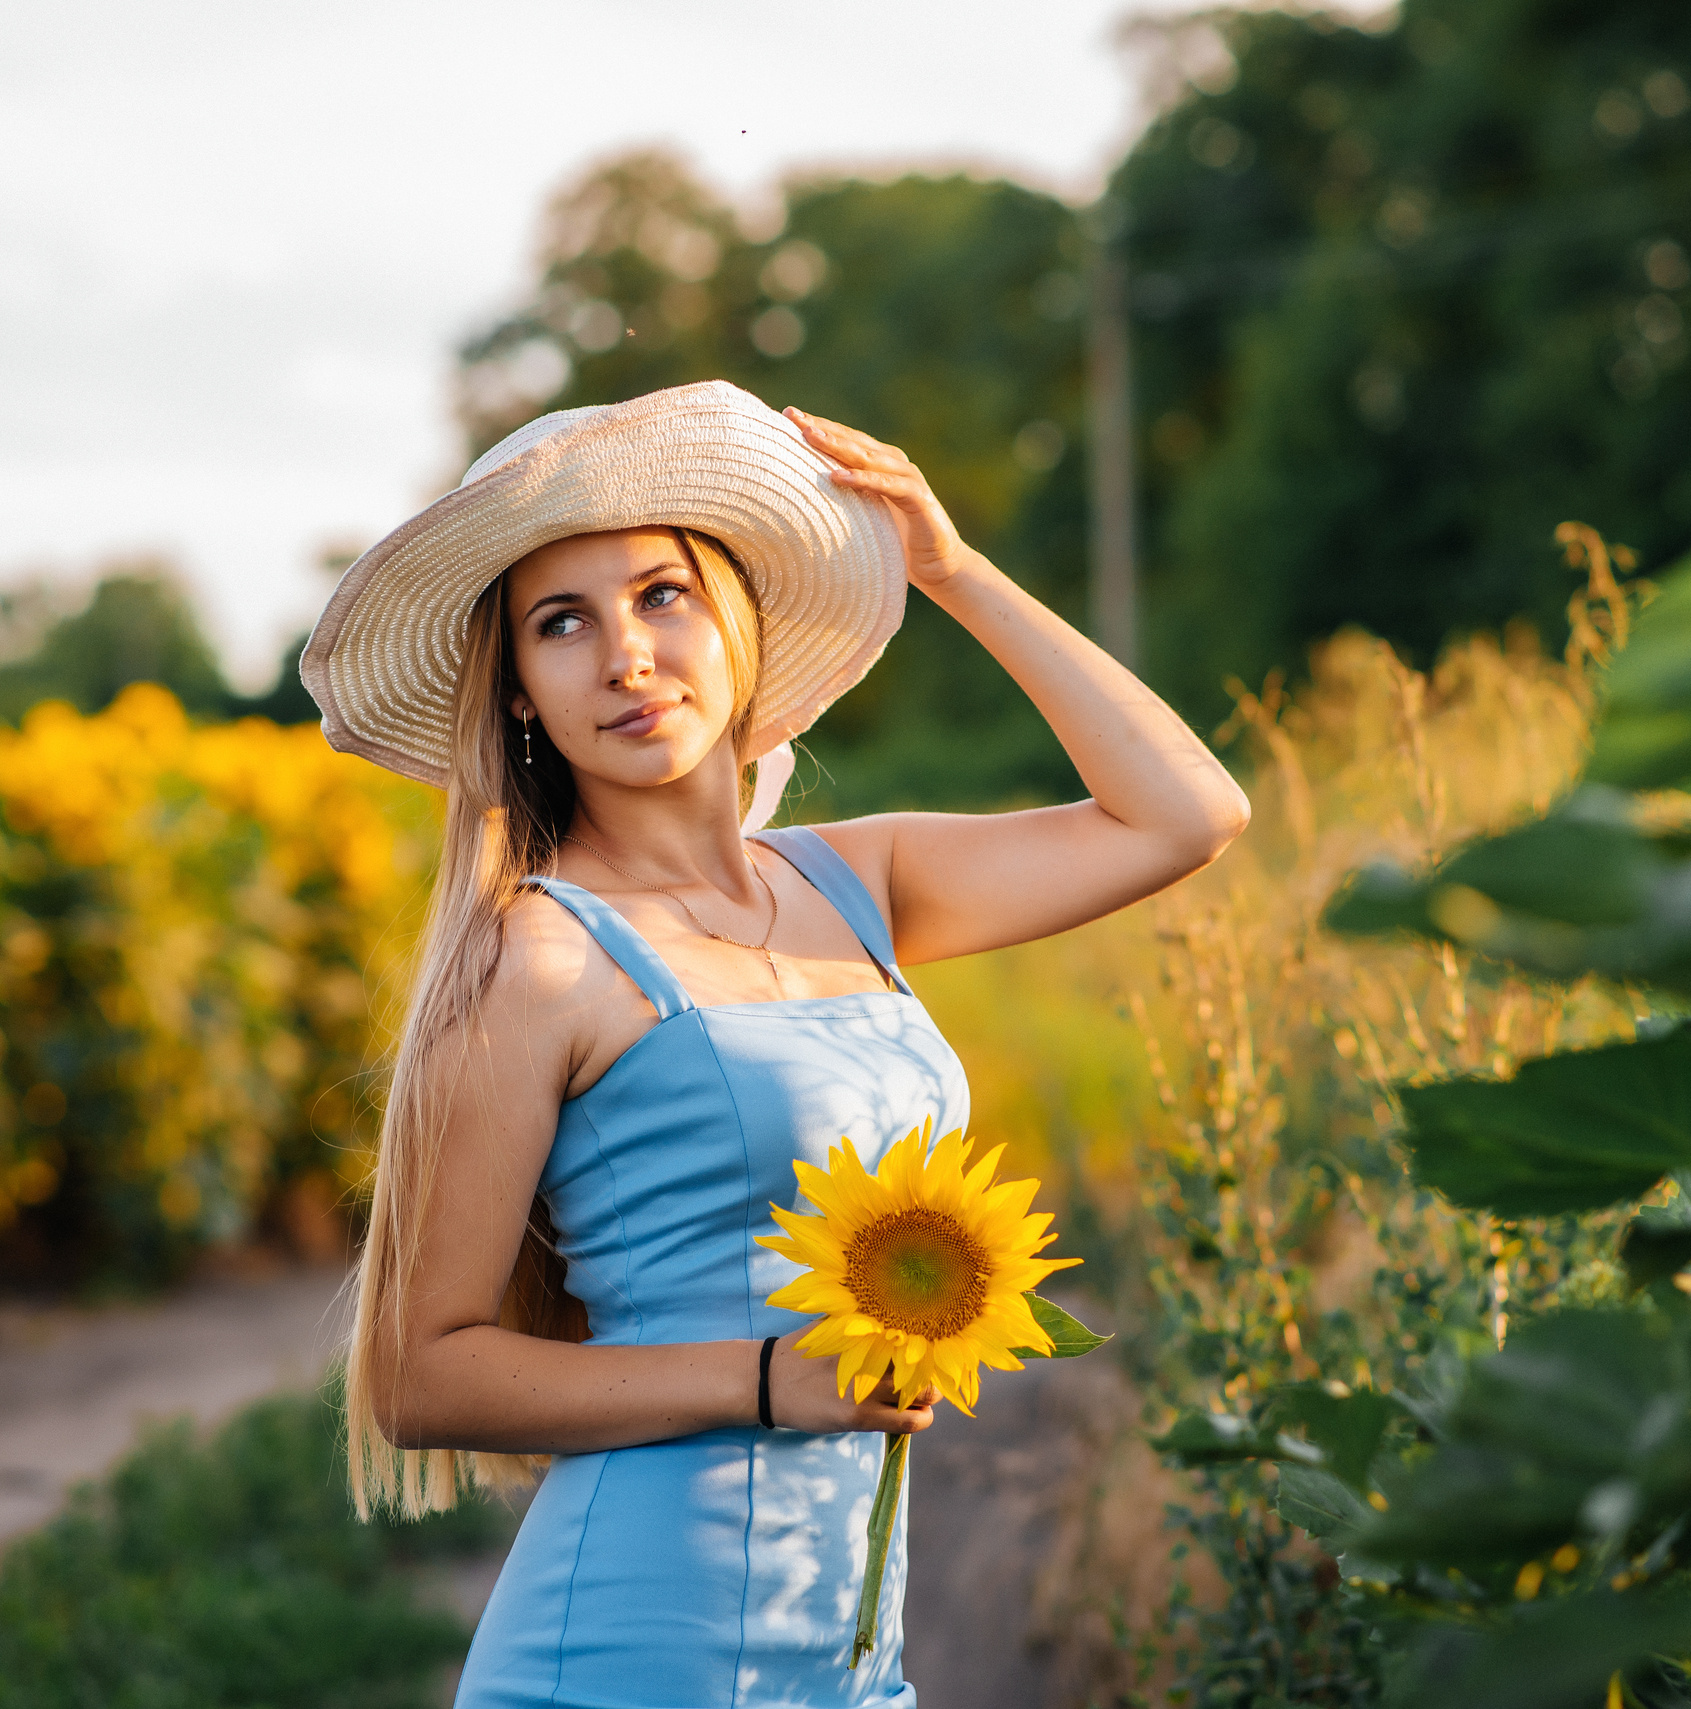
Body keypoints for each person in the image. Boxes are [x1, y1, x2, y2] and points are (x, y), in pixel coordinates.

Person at [300, 380, 1248, 1708]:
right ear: (518, 693)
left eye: (662, 595)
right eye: (561, 624)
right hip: (634, 1653)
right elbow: (418, 1371)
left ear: (738, 622)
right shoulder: (539, 957)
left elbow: (1185, 812)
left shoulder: (861, 879)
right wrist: (766, 1377)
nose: (626, 655)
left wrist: (956, 571)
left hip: (848, 1657)